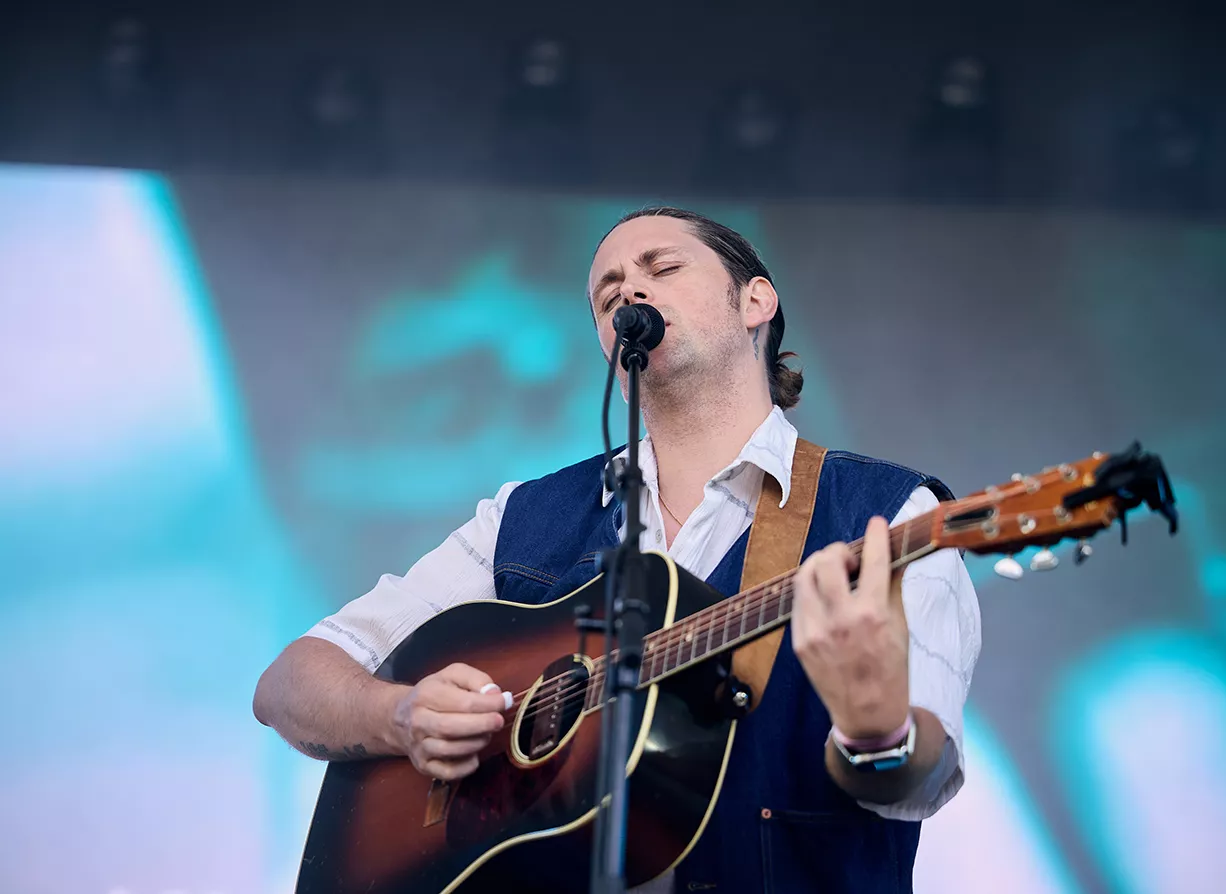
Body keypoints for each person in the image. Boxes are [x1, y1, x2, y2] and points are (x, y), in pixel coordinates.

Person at [253, 206, 982, 893]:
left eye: (663, 268)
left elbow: (920, 784)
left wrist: (875, 730)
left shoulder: (891, 517)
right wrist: (402, 714)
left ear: (756, 301)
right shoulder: (522, 517)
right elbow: (288, 685)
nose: (628, 289)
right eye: (607, 294)